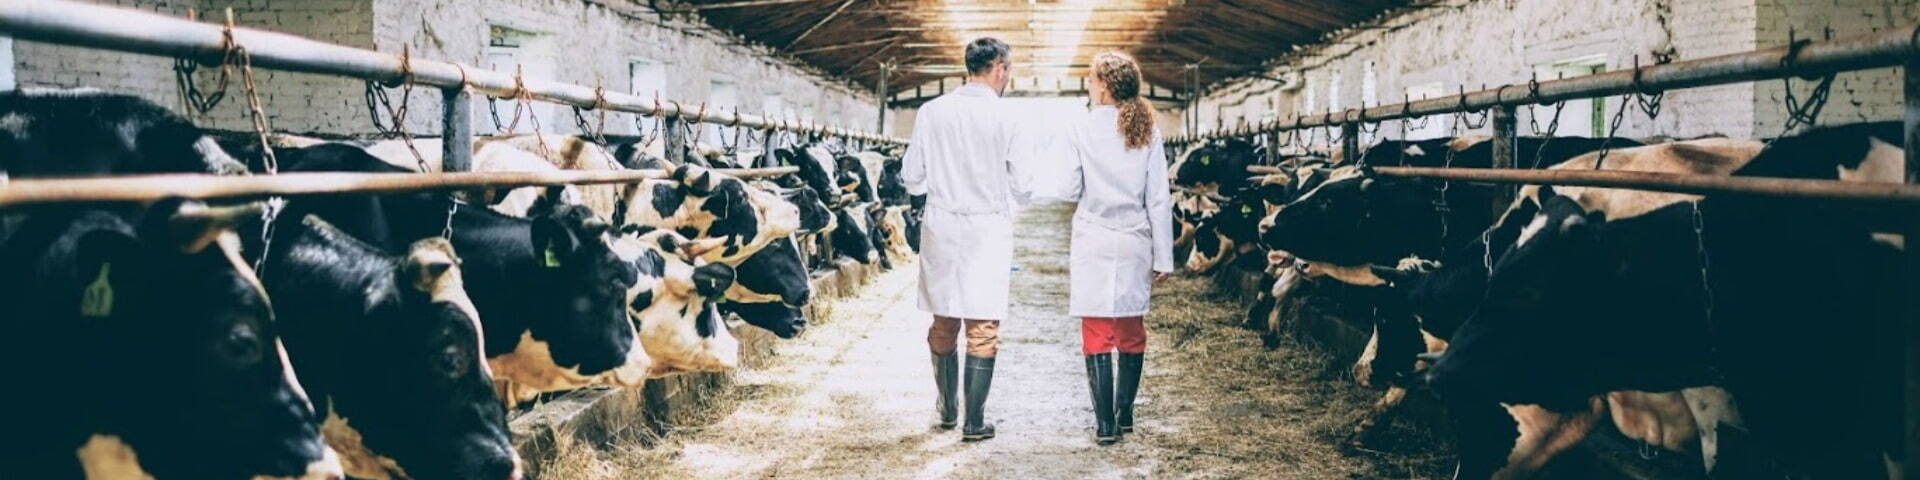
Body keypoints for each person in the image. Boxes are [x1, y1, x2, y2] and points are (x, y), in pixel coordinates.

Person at [899, 37, 1024, 442]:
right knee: (983, 324)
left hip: (943, 225)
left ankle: (948, 409)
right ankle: (974, 422)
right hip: (987, 229)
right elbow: (1025, 187)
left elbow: (912, 178)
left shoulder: (932, 111)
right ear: (1000, 68)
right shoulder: (1009, 118)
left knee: (944, 318)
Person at [1054, 51, 1174, 445]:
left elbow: (1070, 188)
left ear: (1104, 87)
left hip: (1094, 236)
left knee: (1096, 327)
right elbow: (1158, 197)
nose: (1088, 84)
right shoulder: (1147, 129)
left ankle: (1104, 424)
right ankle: (1125, 415)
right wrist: (1164, 256)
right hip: (1135, 237)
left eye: (1091, 79)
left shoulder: (1079, 127)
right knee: (1130, 327)